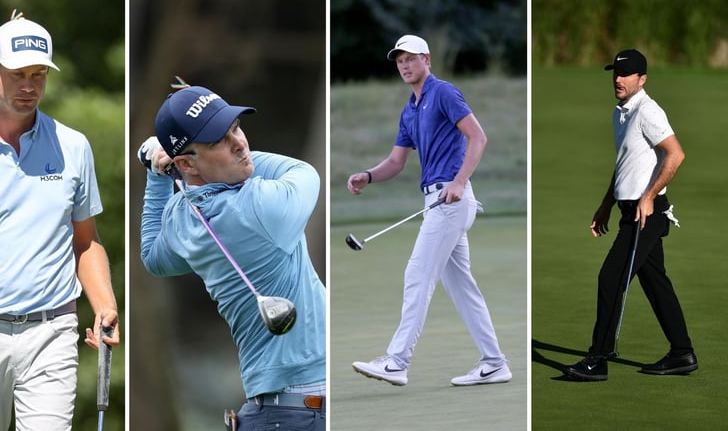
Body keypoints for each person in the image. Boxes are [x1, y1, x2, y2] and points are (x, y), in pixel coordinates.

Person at [0, 10, 120, 430]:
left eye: (39, 74)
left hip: (52, 331)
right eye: (17, 74)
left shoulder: (73, 146)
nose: (29, 86)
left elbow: (85, 241)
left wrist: (104, 305)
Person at [137, 81, 326, 429]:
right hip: (306, 409)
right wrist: (172, 169)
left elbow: (152, 255)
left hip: (274, 411)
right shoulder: (259, 206)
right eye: (217, 141)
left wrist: (158, 174)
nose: (239, 143)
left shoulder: (183, 217)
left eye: (235, 127)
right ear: (188, 164)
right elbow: (305, 172)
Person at [347, 35, 511, 387]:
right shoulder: (409, 109)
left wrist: (459, 181)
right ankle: (495, 362)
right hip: (437, 202)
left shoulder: (444, 92)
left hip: (452, 200)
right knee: (463, 288)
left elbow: (478, 137)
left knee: (417, 275)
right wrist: (368, 176)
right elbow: (396, 161)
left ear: (427, 59)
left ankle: (397, 361)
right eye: (399, 60)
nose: (404, 65)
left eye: (410, 58)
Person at [563, 49, 696, 382]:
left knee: (610, 278)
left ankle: (597, 359)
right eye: (615, 73)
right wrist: (606, 203)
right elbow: (625, 165)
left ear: (642, 79)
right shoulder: (619, 114)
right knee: (656, 284)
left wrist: (650, 196)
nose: (618, 79)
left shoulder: (648, 111)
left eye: (625, 74)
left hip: (646, 214)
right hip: (628, 210)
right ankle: (682, 353)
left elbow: (676, 154)